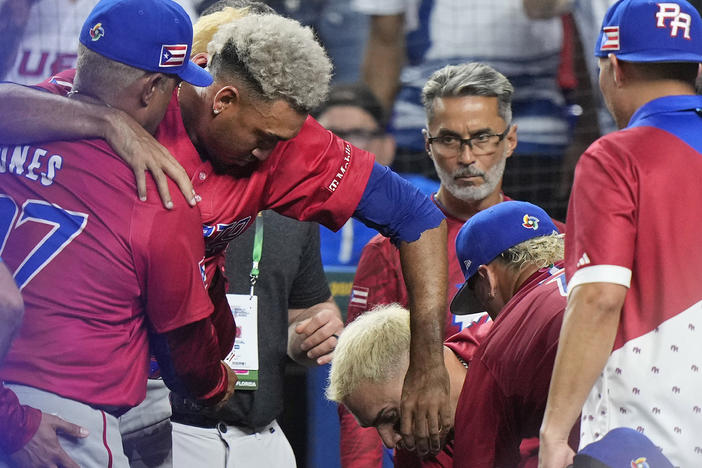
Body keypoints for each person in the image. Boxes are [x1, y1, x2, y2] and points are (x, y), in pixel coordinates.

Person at [0, 2, 453, 455]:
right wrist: (105, 121)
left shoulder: (285, 139)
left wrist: (428, 363)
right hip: (92, 374)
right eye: (262, 137)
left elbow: (419, 217)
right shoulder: (113, 113)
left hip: (145, 382)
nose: (268, 152)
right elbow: (184, 331)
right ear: (222, 99)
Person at [0, 0, 237, 466]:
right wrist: (214, 384)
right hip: (64, 424)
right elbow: (184, 347)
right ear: (151, 87)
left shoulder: (14, 128)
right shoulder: (156, 189)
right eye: (172, 85)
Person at [340, 62, 565, 467]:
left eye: (482, 138)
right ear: (427, 143)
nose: (466, 156)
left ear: (510, 139)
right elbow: (364, 386)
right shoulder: (389, 249)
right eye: (448, 140)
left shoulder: (556, 242)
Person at [539, 1, 702, 467]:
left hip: (649, 436)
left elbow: (599, 299)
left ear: (614, 67)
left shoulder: (614, 156)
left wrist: (553, 432)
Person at [330, 200, 567, 466]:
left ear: (487, 281)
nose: (389, 442)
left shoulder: (504, 353)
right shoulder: (596, 280)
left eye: (391, 417)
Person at [352, 0, 572, 216]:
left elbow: (544, 8)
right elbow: (384, 40)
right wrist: (372, 133)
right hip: (423, 126)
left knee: (529, 244)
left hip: (533, 129)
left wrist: (584, 134)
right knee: (426, 237)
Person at [169, 210, 343, 467]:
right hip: (173, 434)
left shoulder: (294, 209)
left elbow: (305, 308)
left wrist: (314, 330)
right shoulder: (169, 192)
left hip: (263, 438)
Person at [313, 83, 438, 268]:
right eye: (330, 135)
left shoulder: (427, 199)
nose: (343, 146)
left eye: (358, 134)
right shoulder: (284, 204)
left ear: (387, 147)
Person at [0, 0, 198, 84]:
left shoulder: (161, 7)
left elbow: (185, 75)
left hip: (98, 149)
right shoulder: (12, 7)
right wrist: (12, 24)